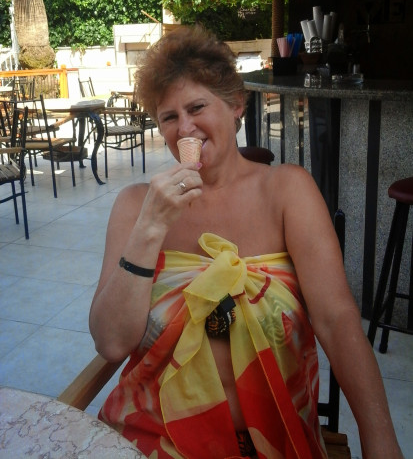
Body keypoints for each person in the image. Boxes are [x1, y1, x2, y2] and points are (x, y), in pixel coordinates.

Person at [89, 25, 403, 459]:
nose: (185, 128)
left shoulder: (286, 190)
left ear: (236, 104)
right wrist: (149, 229)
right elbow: (110, 343)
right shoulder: (135, 205)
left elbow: (337, 319)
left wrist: (380, 440)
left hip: (274, 439)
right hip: (154, 439)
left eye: (197, 107)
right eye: (169, 117)